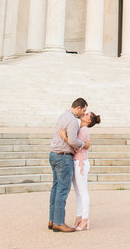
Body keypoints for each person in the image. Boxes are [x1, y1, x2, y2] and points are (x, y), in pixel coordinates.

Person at [48, 98, 90, 233]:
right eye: (83, 110)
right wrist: (84, 145)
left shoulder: (63, 115)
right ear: (78, 108)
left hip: (54, 154)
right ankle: (59, 222)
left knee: (55, 188)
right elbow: (73, 140)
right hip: (63, 157)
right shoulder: (72, 120)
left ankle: (52, 219)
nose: (83, 113)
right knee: (62, 189)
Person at [59, 111, 101, 231]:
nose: (84, 114)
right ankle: (79, 217)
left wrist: (63, 137)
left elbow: (75, 145)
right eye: (85, 113)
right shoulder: (80, 128)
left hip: (80, 163)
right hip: (77, 162)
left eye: (87, 115)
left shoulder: (84, 130)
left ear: (89, 121)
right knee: (78, 192)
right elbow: (78, 145)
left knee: (82, 192)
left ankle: (85, 219)